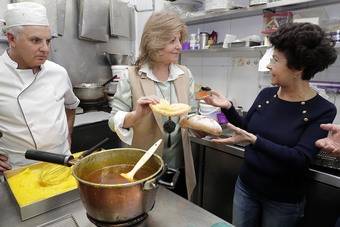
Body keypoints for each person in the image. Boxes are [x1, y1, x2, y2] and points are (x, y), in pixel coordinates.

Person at [204, 23, 337, 227]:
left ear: (298, 68)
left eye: (275, 60)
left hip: (283, 201)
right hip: (246, 186)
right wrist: (228, 107)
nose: (268, 66)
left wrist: (255, 141)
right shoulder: (266, 95)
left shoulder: (323, 109)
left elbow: (299, 158)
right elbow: (246, 131)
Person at [108, 11, 196, 200]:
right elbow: (113, 120)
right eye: (172, 41)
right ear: (155, 41)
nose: (179, 47)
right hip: (143, 167)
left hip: (178, 165)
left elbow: (193, 114)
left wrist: (202, 125)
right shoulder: (131, 76)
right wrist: (136, 115)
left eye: (179, 40)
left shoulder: (185, 74)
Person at [0, 2, 79, 173]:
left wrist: (68, 137)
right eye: (35, 40)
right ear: (12, 39)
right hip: (18, 169)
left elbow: (71, 106)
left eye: (48, 41)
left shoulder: (58, 73)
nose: (45, 49)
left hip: (61, 164)